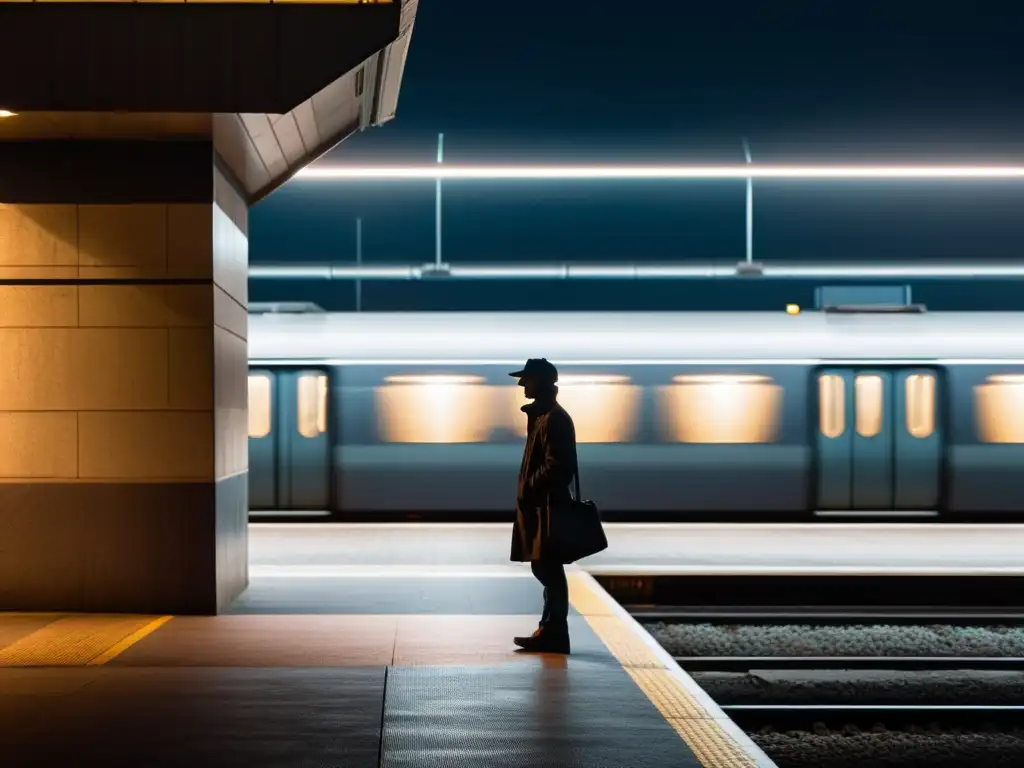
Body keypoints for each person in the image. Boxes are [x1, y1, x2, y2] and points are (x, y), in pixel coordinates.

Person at [509, 358, 578, 654]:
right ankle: (549, 629)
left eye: (527, 379)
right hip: (543, 506)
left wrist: (530, 487)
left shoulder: (554, 419)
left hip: (548, 508)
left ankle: (554, 632)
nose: (521, 384)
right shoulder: (543, 416)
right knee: (545, 569)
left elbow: (558, 466)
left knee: (548, 570)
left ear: (542, 382)